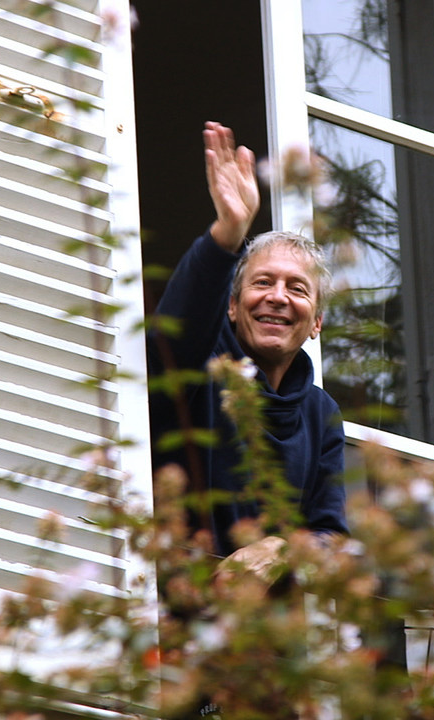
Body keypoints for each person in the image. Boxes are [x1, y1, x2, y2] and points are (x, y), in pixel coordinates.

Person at [148, 122, 348, 569]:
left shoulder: (320, 413)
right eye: (262, 283)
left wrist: (279, 551)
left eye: (297, 288)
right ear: (233, 307)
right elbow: (172, 338)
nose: (278, 297)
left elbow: (332, 536)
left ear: (316, 322)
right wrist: (228, 233)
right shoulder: (202, 368)